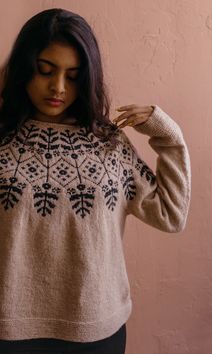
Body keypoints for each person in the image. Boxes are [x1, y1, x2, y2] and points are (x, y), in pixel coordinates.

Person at [0, 7, 191, 354]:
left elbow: (171, 213)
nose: (58, 87)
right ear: (24, 69)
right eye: (45, 71)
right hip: (8, 331)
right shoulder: (3, 141)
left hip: (95, 333)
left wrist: (168, 134)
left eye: (73, 76)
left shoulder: (109, 145)